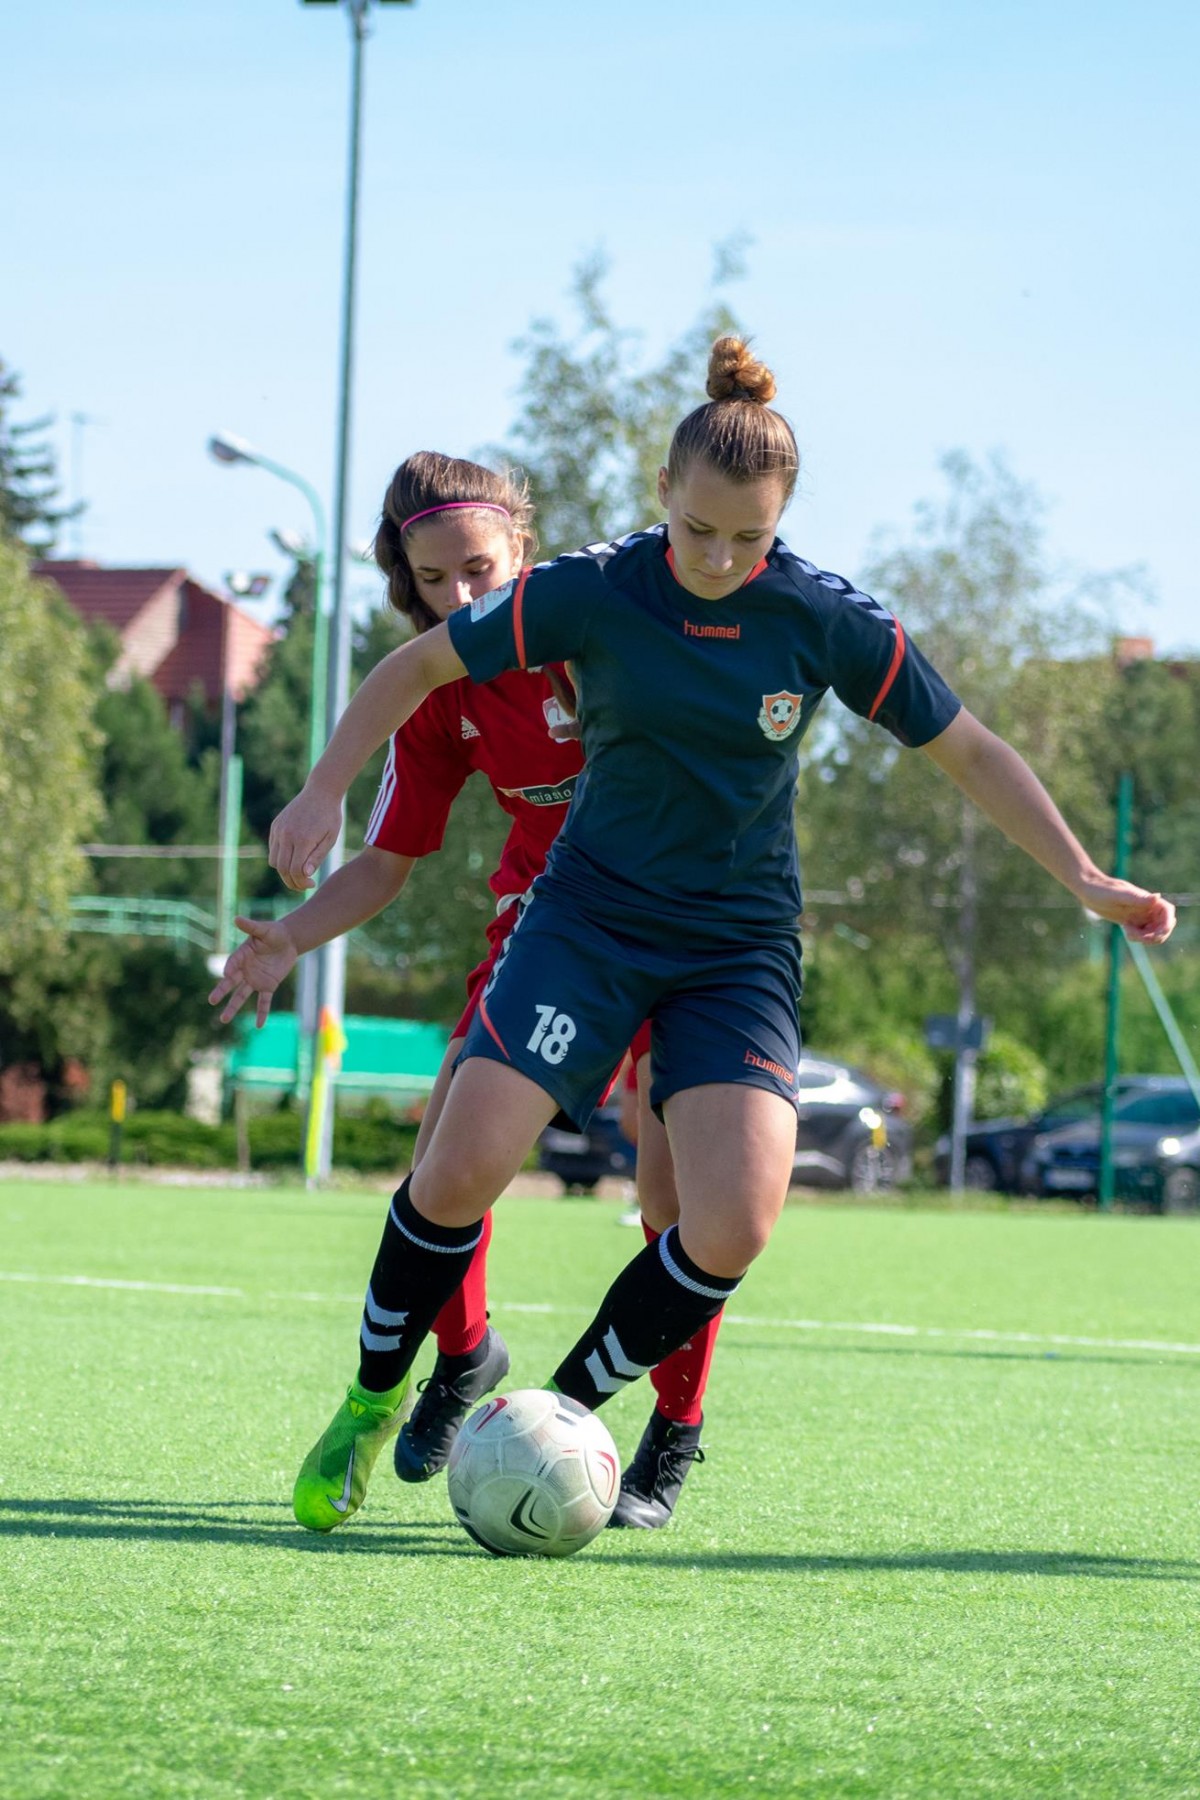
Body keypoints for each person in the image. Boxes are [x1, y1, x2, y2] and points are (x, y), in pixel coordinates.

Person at [269, 337, 1175, 1536]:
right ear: (664, 495)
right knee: (458, 1169)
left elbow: (967, 747)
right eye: (698, 530)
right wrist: (323, 789)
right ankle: (370, 1398)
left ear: (782, 522)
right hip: (588, 923)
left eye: (749, 538)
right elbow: (418, 663)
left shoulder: (818, 615)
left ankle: (567, 1410)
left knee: (734, 1219)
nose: (719, 558)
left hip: (736, 948)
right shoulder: (593, 588)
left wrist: (1083, 876)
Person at [211, 451, 720, 1526]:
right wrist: (289, 937)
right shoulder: (440, 688)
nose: (459, 598)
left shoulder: (604, 622)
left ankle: (673, 1431)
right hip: (550, 926)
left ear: (523, 548)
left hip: (683, 919)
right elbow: (386, 861)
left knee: (676, 1194)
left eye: (479, 570)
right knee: (448, 1152)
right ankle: (463, 1357)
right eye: (433, 581)